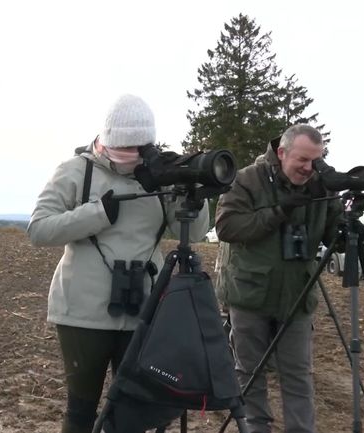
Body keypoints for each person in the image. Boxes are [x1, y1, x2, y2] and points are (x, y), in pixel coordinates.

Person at [27, 94, 210, 433]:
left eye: (139, 148)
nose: (132, 156)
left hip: (144, 309)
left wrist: (193, 194)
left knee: (134, 415)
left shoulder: (162, 175)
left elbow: (196, 233)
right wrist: (97, 214)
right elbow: (38, 229)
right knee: (81, 410)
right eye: (124, 147)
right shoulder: (75, 172)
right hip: (83, 314)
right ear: (105, 139)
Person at [215, 124, 342, 433]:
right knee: (250, 373)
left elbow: (332, 235)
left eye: (315, 160)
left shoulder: (318, 183)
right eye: (302, 160)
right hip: (249, 294)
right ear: (282, 152)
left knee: (298, 374)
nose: (308, 168)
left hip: (296, 295)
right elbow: (227, 227)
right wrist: (278, 211)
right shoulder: (247, 179)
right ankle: (257, 428)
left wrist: (336, 203)